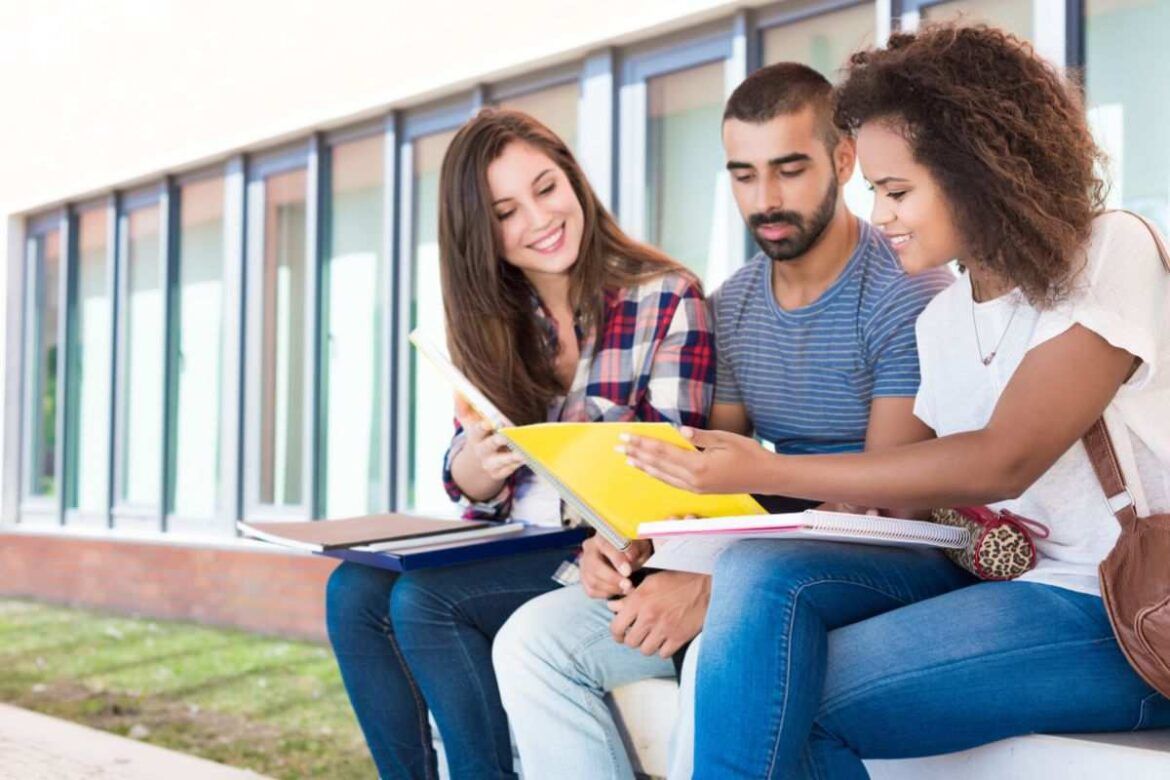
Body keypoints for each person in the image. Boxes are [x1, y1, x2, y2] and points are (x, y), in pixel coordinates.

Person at [622, 24, 1170, 779]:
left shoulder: (1112, 252)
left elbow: (1001, 460)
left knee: (787, 701)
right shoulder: (941, 318)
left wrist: (773, 472)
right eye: (874, 191)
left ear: (977, 173)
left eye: (896, 190)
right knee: (759, 572)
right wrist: (676, 544)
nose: (880, 216)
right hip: (999, 577)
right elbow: (906, 497)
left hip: (1121, 613)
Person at [492, 62, 955, 779]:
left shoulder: (908, 290)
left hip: (892, 555)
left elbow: (884, 500)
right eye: (743, 175)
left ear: (842, 160)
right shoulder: (732, 303)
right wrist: (635, 545)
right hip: (768, 550)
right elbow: (704, 480)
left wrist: (713, 586)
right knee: (530, 641)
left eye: (789, 170)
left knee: (726, 645)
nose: (764, 199)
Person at [324, 108, 714, 780]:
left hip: (604, 549)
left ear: (573, 179)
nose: (538, 219)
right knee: (351, 594)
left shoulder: (667, 297)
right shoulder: (485, 318)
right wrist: (477, 463)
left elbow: (675, 473)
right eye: (505, 211)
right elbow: (465, 480)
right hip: (511, 538)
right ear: (480, 233)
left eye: (546, 188)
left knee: (425, 605)